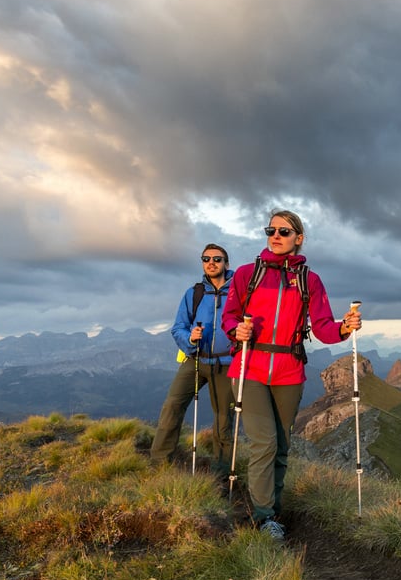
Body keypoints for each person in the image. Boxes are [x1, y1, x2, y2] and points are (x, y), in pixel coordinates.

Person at [222, 210, 361, 538]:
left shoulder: (309, 280)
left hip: (289, 371)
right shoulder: (246, 274)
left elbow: (324, 327)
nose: (275, 235)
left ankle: (274, 509)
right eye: (271, 229)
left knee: (282, 445)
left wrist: (344, 327)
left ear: (298, 238)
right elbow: (229, 315)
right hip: (249, 366)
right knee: (265, 442)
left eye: (284, 231)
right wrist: (235, 330)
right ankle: (262, 515)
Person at [150, 243, 237, 474]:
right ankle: (159, 462)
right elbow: (178, 327)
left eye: (217, 259)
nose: (211, 263)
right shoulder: (195, 293)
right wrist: (190, 338)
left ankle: (222, 470)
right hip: (195, 360)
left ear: (226, 264)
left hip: (227, 363)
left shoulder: (240, 292)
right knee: (173, 406)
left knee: (223, 420)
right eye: (206, 258)